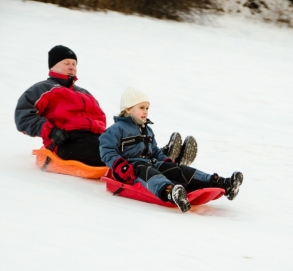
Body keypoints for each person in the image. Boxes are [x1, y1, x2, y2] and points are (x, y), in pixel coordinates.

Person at [14, 45, 197, 167]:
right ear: (53, 66)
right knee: (110, 152)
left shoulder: (84, 92)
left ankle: (162, 157)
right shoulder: (44, 89)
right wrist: (51, 131)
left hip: (95, 139)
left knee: (123, 142)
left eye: (74, 63)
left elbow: (99, 119)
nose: (72, 67)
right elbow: (23, 116)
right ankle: (159, 159)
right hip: (67, 142)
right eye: (66, 63)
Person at [99, 87, 244, 213]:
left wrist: (168, 163)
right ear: (128, 109)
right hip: (131, 170)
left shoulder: (147, 130)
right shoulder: (116, 129)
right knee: (149, 172)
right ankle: (170, 191)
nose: (145, 112)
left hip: (152, 162)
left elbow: (155, 151)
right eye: (141, 108)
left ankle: (222, 183)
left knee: (179, 170)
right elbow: (106, 150)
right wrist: (122, 167)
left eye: (147, 108)